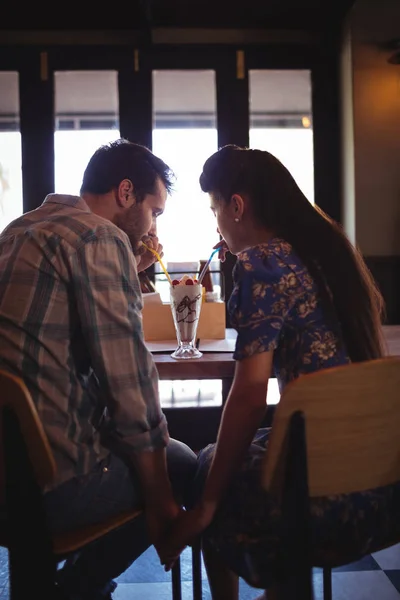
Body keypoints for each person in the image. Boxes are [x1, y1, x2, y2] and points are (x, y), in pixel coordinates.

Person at [159, 144, 392, 600]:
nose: (218, 227)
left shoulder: (259, 263)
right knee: (221, 461)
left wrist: (203, 507)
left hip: (320, 490)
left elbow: (248, 393)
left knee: (209, 471)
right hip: (380, 475)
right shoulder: (330, 251)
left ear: (237, 206)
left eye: (215, 211)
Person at [0, 138, 197, 600]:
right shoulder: (99, 237)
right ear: (126, 193)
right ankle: (77, 589)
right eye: (155, 210)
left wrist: (130, 266)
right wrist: (159, 497)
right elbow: (127, 383)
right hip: (50, 486)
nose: (153, 224)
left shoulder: (18, 229)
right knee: (183, 464)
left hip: (7, 473)